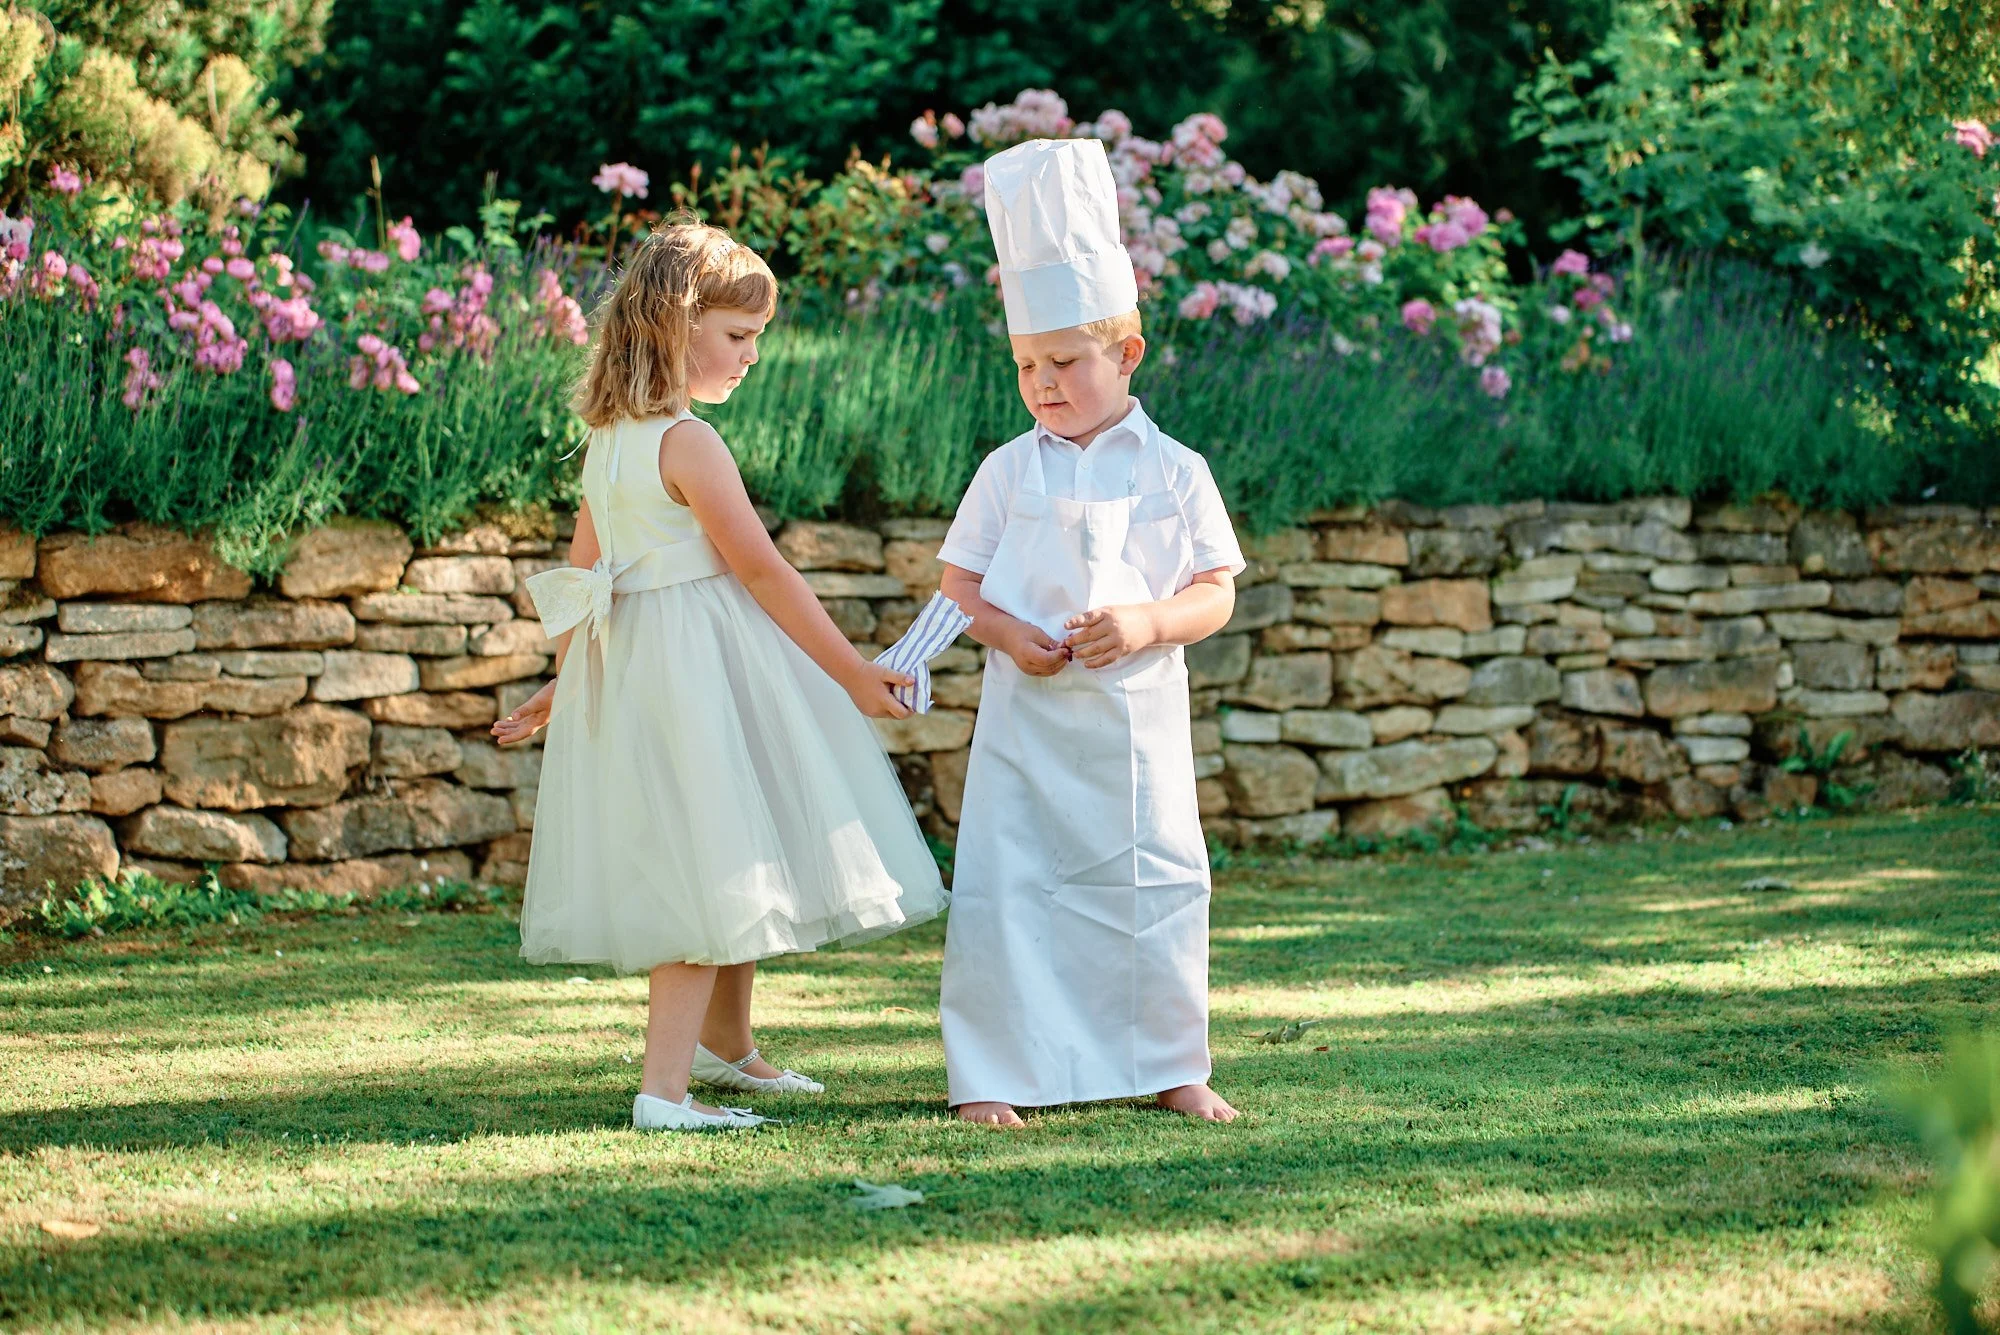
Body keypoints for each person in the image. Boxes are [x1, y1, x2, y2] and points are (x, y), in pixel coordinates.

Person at [493, 218, 947, 1132]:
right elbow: (763, 570)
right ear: (676, 325)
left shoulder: (608, 440)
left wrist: (564, 682)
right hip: (691, 673)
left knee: (744, 842)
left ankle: (728, 1046)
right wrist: (855, 673)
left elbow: (586, 583)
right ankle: (663, 1093)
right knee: (704, 862)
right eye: (737, 337)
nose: (749, 357)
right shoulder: (687, 443)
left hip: (662, 671)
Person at [936, 138, 1246, 1127]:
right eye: (1027, 362)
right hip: (1026, 729)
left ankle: (1168, 1061)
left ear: (1126, 353)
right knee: (1007, 891)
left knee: (1153, 884)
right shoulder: (1005, 470)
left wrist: (1151, 618)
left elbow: (1213, 592)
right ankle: (991, 1076)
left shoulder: (1174, 469)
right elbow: (955, 589)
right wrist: (1004, 634)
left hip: (1133, 729)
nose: (1044, 381)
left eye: (1065, 360)